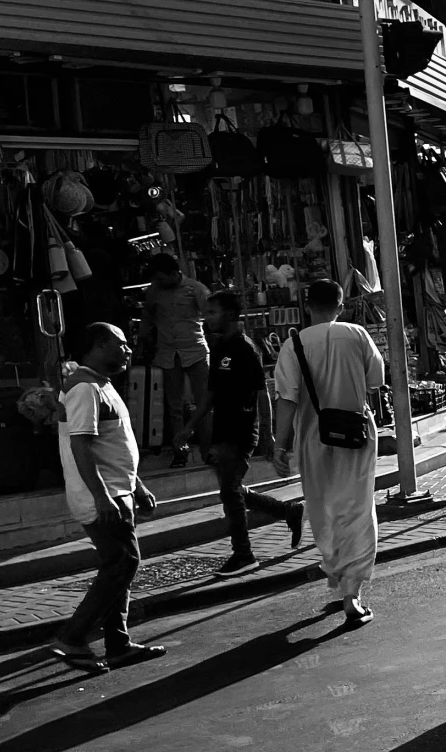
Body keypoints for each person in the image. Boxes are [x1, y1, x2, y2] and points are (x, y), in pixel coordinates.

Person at [48, 322, 166, 673]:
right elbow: (80, 445)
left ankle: (118, 643)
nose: (128, 350)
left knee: (122, 567)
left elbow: (112, 448)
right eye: (121, 344)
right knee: (122, 564)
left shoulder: (102, 386)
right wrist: (102, 496)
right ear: (98, 346)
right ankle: (73, 637)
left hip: (118, 490)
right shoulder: (84, 388)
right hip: (103, 496)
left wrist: (138, 485)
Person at [270, 278, 384, 626]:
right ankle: (351, 591)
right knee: (358, 507)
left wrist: (279, 444)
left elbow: (286, 400)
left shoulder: (294, 344)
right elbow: (376, 379)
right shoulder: (357, 334)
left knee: (323, 508)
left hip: (313, 438)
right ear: (341, 304)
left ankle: (337, 577)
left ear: (307, 306)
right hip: (356, 434)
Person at [176, 291, 302, 577]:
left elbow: (263, 395)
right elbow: (210, 395)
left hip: (242, 430)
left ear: (231, 315)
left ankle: (243, 553)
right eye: (206, 313)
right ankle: (288, 512)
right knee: (232, 489)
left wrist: (270, 436)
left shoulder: (246, 349)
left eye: (212, 312)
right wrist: (189, 427)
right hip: (221, 429)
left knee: (229, 491)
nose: (206, 318)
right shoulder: (218, 347)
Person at [139, 253, 211, 467]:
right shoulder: (153, 292)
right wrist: (141, 343)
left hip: (196, 352)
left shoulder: (196, 289)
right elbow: (147, 319)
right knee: (174, 407)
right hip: (168, 354)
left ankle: (208, 451)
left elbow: (212, 316)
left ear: (173, 273)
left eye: (161, 278)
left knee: (204, 404)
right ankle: (181, 452)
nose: (158, 283)